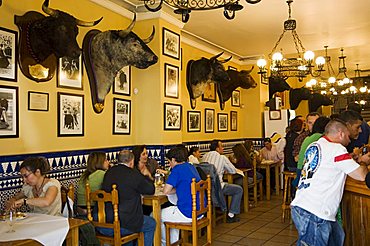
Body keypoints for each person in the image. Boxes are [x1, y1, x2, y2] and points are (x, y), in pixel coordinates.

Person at [291, 119, 369, 245]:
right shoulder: (336, 149)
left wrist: (352, 158)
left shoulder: (315, 145)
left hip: (302, 206)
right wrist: (363, 161)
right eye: (348, 136)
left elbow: (329, 163)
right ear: (341, 134)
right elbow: (361, 175)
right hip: (315, 212)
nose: (350, 141)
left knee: (337, 237)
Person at [96, 150, 156, 246]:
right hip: (123, 225)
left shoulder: (109, 173)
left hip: (103, 223)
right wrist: (147, 175)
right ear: (131, 161)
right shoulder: (133, 174)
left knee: (130, 222)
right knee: (150, 223)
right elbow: (150, 189)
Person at [161, 146, 202, 245]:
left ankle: (164, 244)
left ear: (174, 160)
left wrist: (163, 188)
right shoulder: (190, 166)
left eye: (169, 162)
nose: (169, 164)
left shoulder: (177, 170)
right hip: (200, 211)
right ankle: (174, 243)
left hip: (188, 213)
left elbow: (166, 191)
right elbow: (184, 186)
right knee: (171, 215)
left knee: (157, 215)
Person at [202, 140, 243, 223]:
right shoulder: (222, 157)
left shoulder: (204, 157)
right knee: (238, 189)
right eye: (221, 146)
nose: (223, 148)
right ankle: (231, 214)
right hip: (217, 188)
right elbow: (232, 170)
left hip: (205, 189)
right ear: (217, 148)